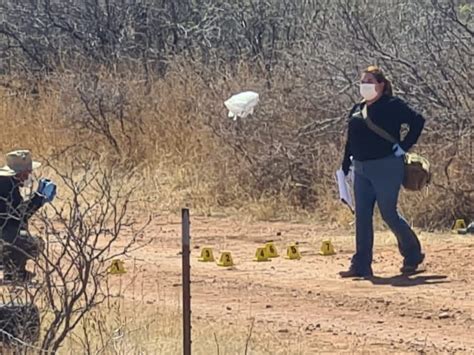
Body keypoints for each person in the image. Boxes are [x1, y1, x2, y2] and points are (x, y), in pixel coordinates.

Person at [339, 66, 425, 278]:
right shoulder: (357, 109)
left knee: (388, 213)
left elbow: (418, 121)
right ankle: (361, 265)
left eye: (370, 81)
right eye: (362, 81)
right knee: (362, 216)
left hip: (386, 166)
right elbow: (351, 139)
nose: (365, 85)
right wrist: (345, 164)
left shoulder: (392, 105)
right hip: (361, 168)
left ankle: (412, 253)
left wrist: (404, 146)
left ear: (381, 85)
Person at [0, 150, 56, 282]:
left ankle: (12, 270)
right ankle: (14, 273)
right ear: (20, 172)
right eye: (28, 171)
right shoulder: (5, 187)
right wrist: (38, 199)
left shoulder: (6, 184)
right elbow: (16, 218)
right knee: (30, 242)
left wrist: (37, 199)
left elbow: (13, 213)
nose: (29, 175)